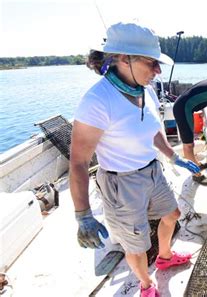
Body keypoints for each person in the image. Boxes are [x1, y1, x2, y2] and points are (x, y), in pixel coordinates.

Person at [69, 22, 200, 297]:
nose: (158, 71)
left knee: (173, 214)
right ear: (122, 59)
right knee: (136, 246)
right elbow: (78, 161)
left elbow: (152, 132)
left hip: (152, 172)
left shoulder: (147, 90)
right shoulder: (97, 100)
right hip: (121, 184)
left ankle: (164, 257)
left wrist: (173, 158)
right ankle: (146, 286)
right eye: (151, 63)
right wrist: (83, 216)